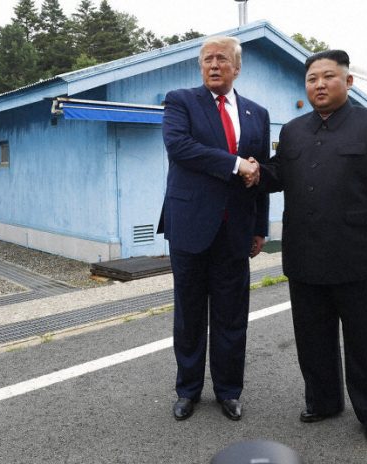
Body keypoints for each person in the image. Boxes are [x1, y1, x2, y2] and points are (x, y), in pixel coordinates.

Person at [257, 50, 367, 446]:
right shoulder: (292, 131)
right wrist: (249, 170)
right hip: (305, 254)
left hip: (359, 253)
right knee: (312, 337)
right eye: (312, 79)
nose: (319, 85)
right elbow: (277, 174)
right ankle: (323, 401)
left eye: (328, 76)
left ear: (348, 82)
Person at [158, 35, 270, 422]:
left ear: (237, 68)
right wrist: (236, 164)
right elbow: (179, 147)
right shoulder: (180, 101)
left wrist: (260, 227)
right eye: (207, 59)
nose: (214, 65)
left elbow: (263, 175)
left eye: (222, 59)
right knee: (189, 315)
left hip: (236, 230)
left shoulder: (257, 113)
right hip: (190, 225)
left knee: (231, 315)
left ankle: (229, 391)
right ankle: (187, 390)